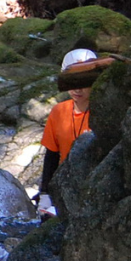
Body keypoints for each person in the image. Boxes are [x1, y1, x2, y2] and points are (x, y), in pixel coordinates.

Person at [36, 48, 97, 219]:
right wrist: (44, 194)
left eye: (83, 82)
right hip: (63, 186)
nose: (77, 88)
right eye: (71, 81)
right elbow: (52, 155)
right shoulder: (59, 111)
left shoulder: (102, 113)